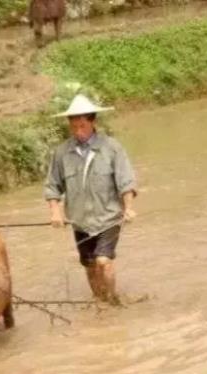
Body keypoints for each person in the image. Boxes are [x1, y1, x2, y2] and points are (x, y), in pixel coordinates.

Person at [44, 94, 137, 304]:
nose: (78, 130)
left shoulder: (112, 148)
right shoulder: (62, 153)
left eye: (82, 125)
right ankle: (99, 301)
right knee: (89, 264)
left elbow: (126, 182)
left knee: (104, 261)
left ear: (93, 121)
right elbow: (52, 186)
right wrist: (55, 212)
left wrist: (129, 208)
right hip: (79, 222)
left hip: (108, 218)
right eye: (74, 126)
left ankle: (113, 301)